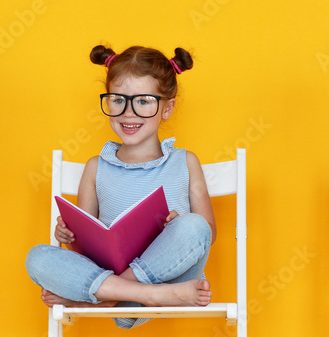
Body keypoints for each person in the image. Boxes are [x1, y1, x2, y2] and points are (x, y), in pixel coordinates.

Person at [25, 45, 215, 329]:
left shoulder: (185, 162)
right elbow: (83, 247)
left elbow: (207, 235)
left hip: (170, 277)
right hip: (153, 297)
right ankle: (145, 296)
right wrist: (67, 232)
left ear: (168, 108)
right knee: (37, 258)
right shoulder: (95, 167)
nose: (128, 112)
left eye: (144, 101)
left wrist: (177, 227)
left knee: (194, 226)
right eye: (118, 100)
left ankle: (102, 297)